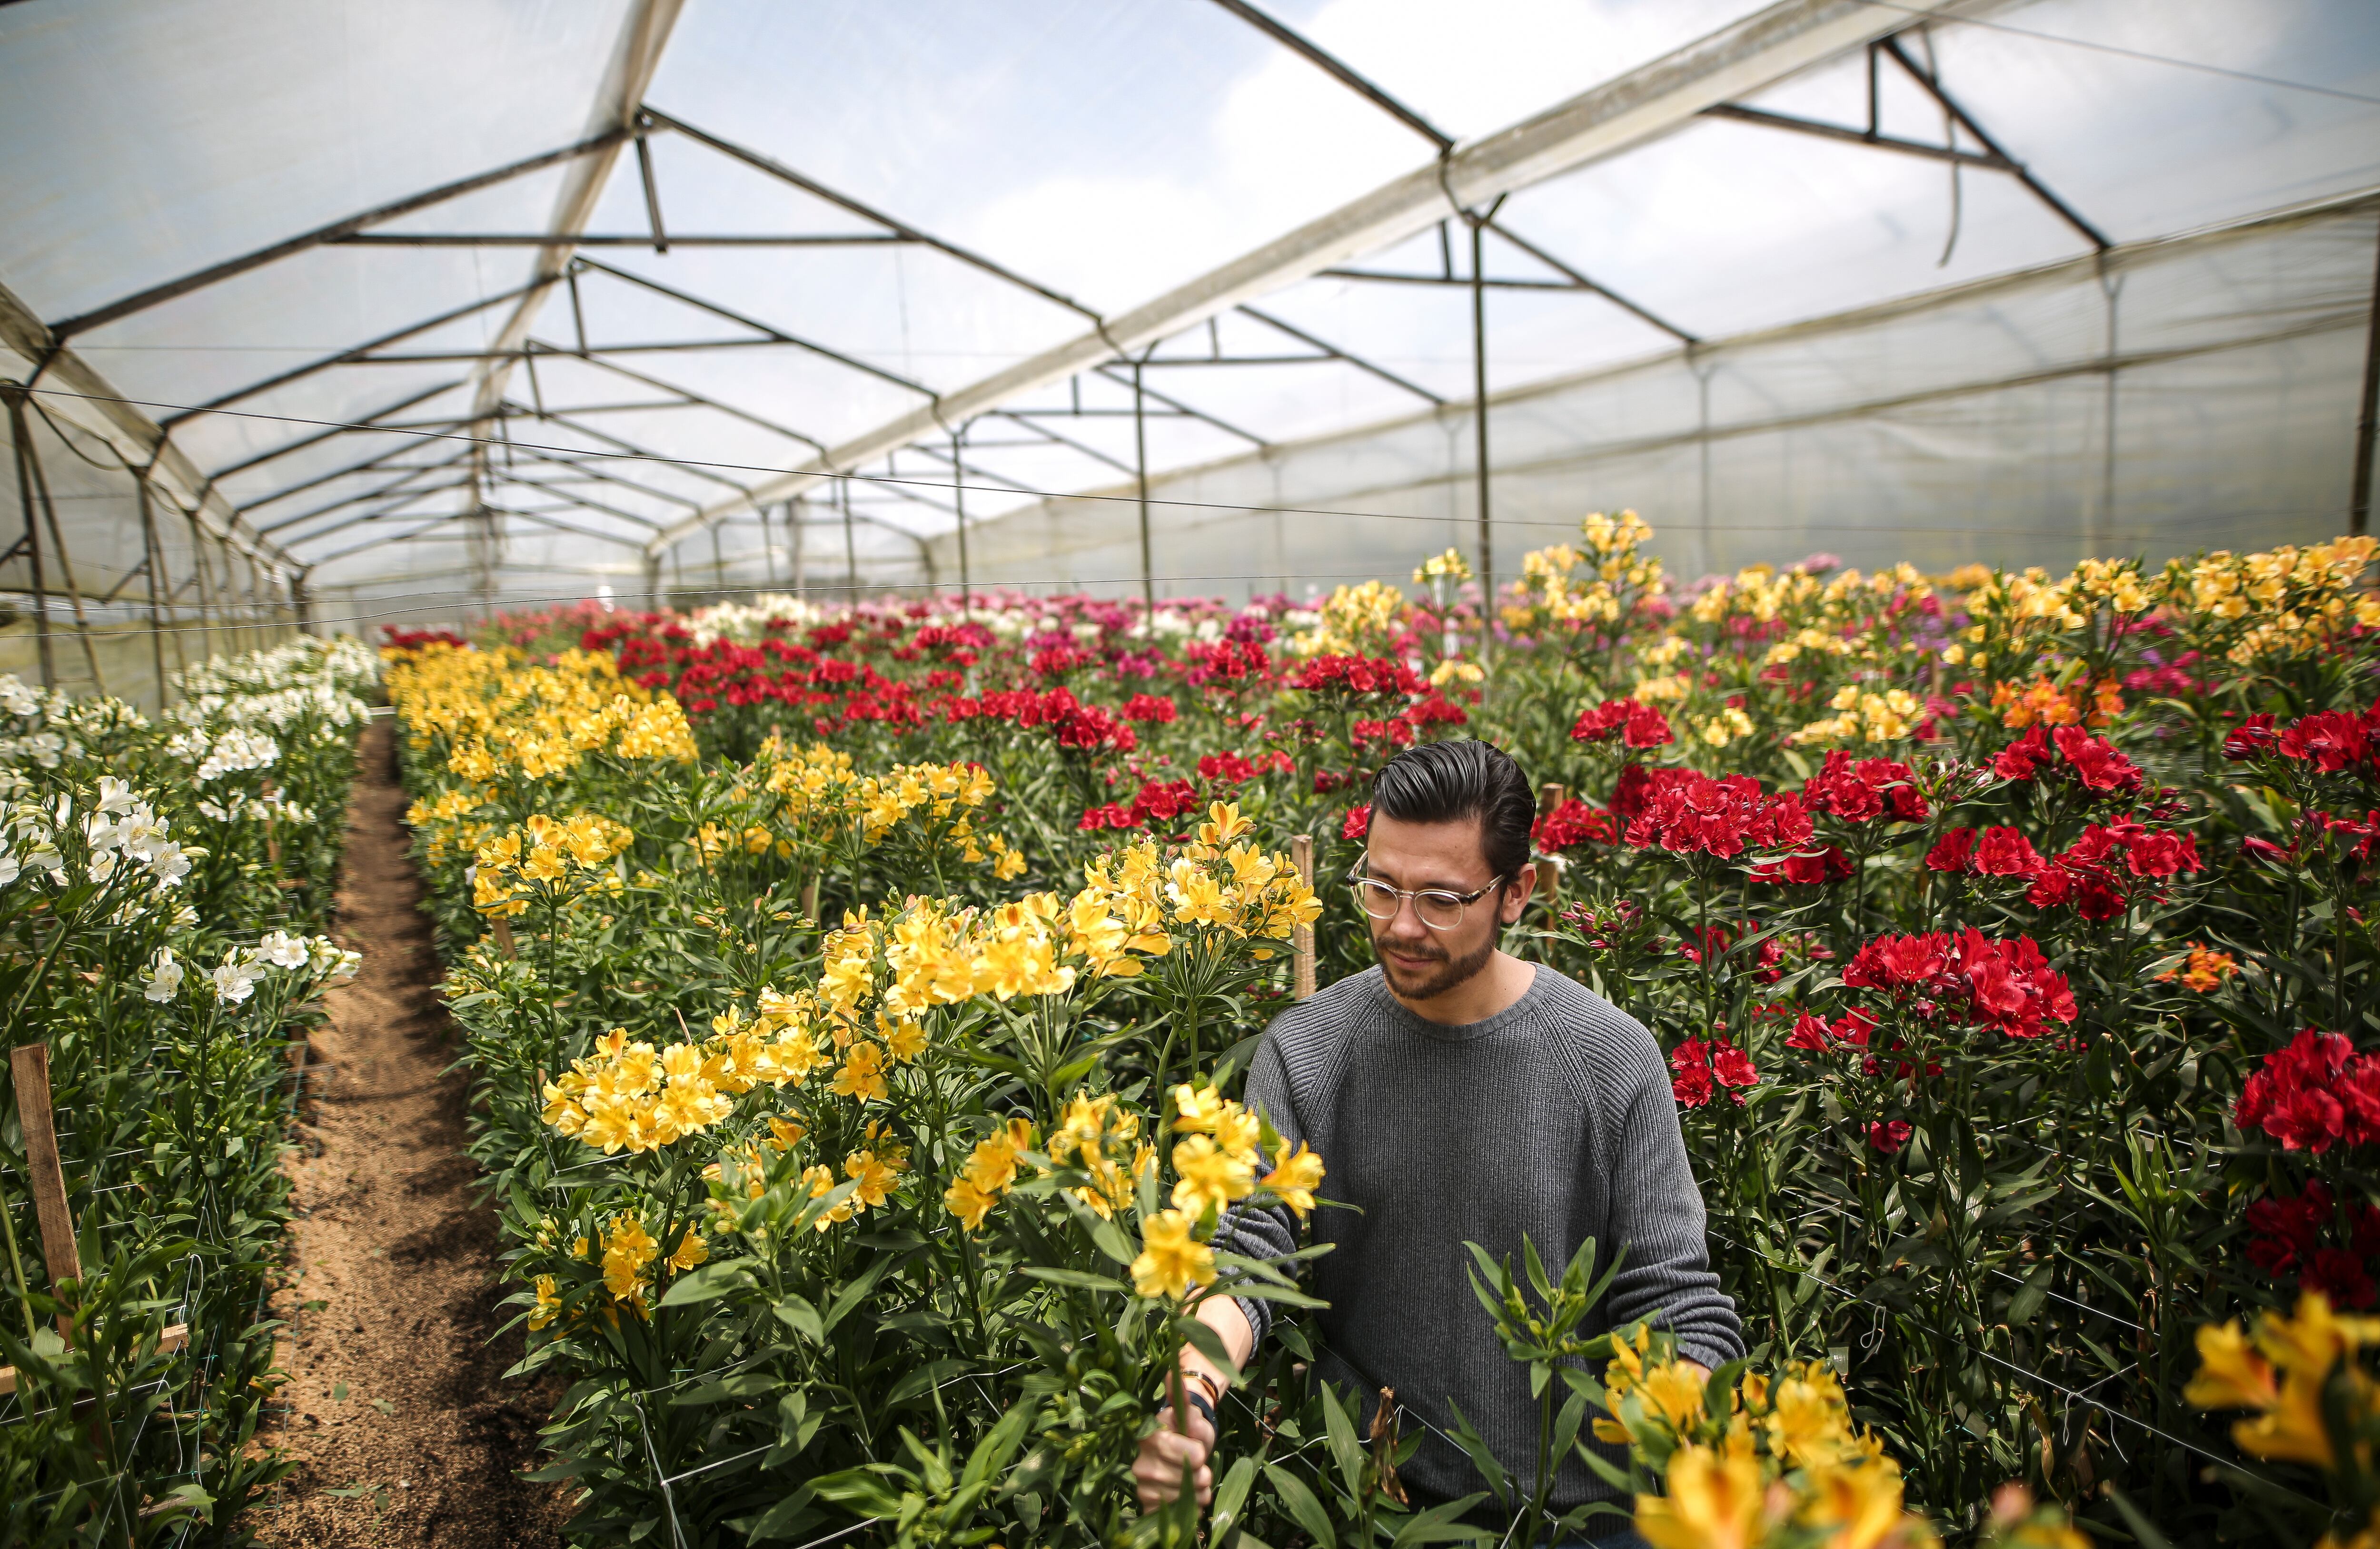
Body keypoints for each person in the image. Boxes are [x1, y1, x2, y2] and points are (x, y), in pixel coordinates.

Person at [1131, 739, 1743, 1548]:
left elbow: (1676, 1303)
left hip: (1587, 1520)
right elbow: (1252, 1255)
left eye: (1442, 901)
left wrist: (1699, 1434)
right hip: (1382, 1511)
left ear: (1516, 893)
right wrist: (1190, 1397)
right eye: (1381, 888)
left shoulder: (1608, 1056)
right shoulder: (1307, 1052)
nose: (1402, 927)